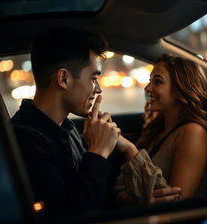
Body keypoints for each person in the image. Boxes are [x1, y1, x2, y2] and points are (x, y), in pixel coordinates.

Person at [11, 27, 180, 217]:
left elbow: (90, 195)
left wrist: (130, 202)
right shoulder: (25, 139)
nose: (98, 89)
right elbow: (68, 216)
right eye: (93, 78)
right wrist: (98, 152)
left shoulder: (66, 127)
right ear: (64, 79)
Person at [115, 54, 207, 205]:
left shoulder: (193, 132)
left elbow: (177, 206)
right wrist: (131, 199)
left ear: (182, 88)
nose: (148, 88)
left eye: (158, 81)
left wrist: (130, 150)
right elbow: (124, 188)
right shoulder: (158, 127)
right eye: (150, 80)